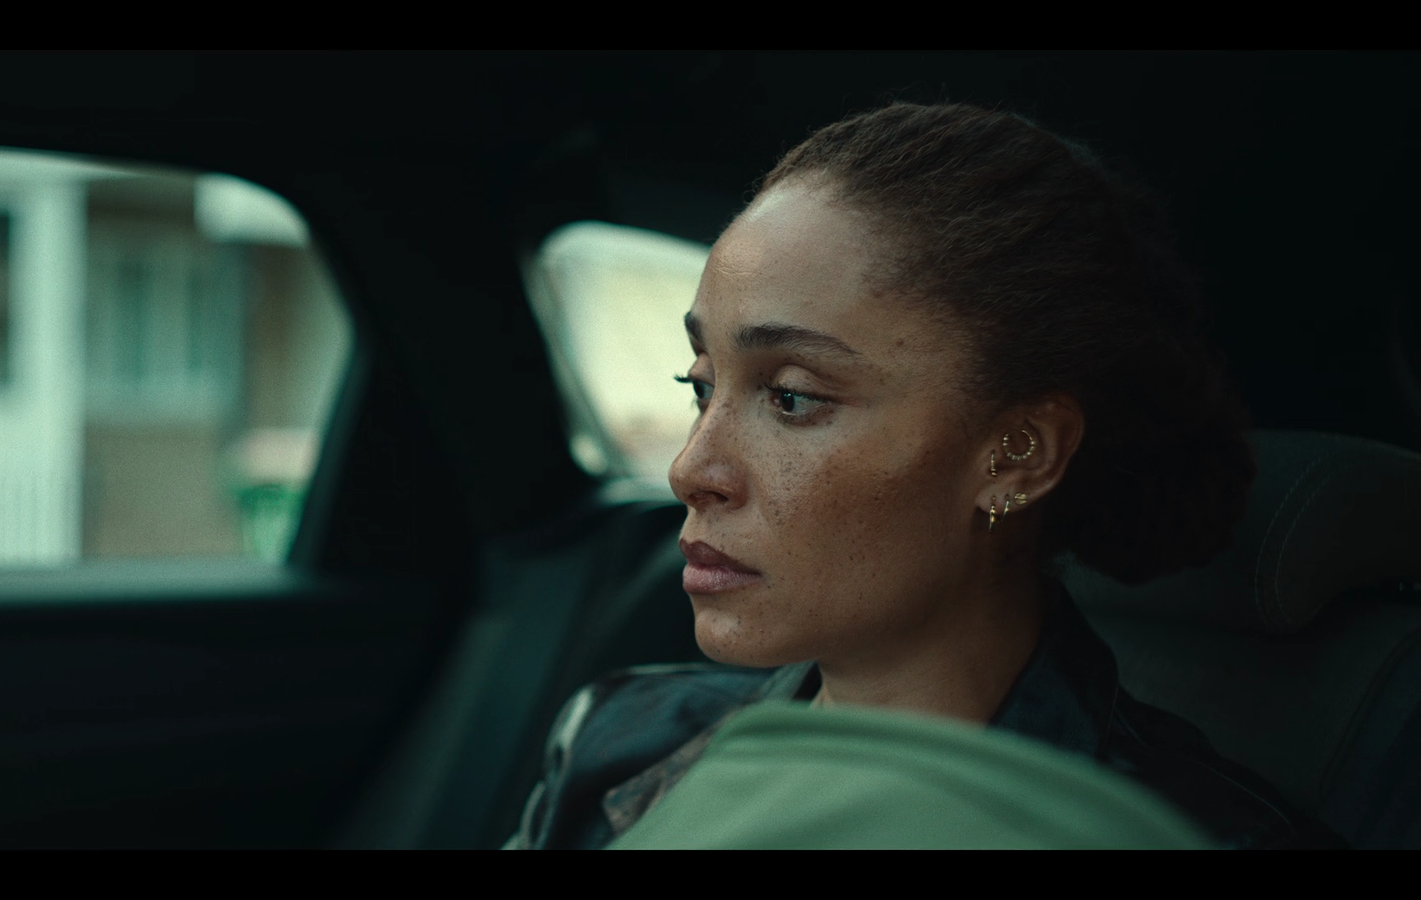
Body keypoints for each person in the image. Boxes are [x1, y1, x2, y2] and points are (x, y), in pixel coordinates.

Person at [505, 102, 1341, 849]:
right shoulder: (619, 737)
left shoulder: (1188, 836)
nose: (692, 470)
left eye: (792, 399)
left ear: (1019, 453)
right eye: (701, 387)